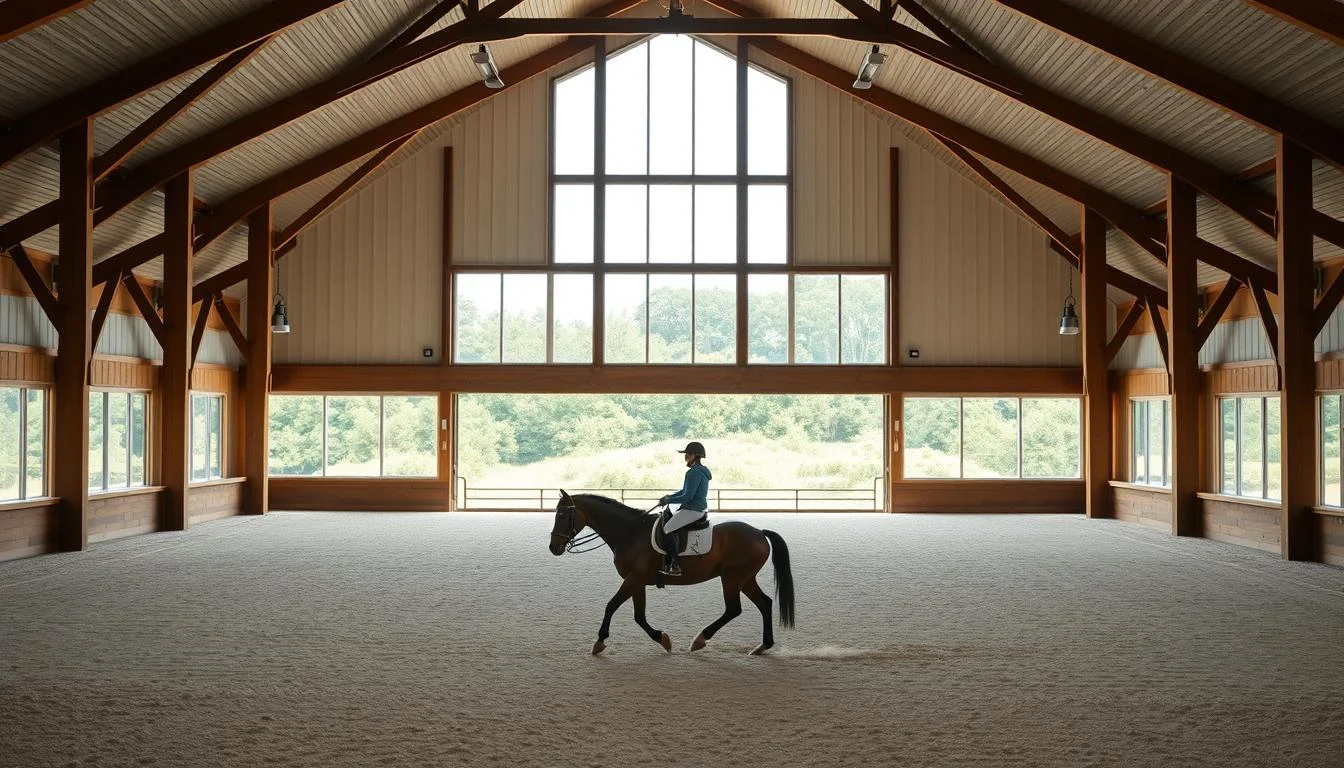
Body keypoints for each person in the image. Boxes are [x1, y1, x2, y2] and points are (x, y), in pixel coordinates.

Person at [657, 441, 711, 576]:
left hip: (693, 509)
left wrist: (668, 500)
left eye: (687, 454)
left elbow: (687, 496)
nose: (685, 456)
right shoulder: (701, 471)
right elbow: (684, 491)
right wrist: (669, 496)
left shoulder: (693, 473)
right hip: (696, 508)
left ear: (694, 455)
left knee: (667, 528)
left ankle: (675, 565)